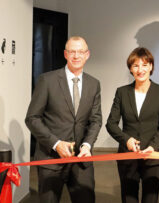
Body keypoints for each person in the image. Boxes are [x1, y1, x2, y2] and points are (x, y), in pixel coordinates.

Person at [25, 36, 102, 203]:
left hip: (81, 161)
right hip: (50, 159)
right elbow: (32, 118)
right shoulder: (47, 80)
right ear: (65, 54)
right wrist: (56, 143)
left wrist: (87, 145)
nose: (76, 56)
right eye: (72, 51)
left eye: (80, 51)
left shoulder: (94, 84)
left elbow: (95, 120)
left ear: (87, 54)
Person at [106, 47, 159, 203]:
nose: (140, 69)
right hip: (128, 157)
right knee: (129, 199)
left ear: (151, 67)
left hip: (154, 157)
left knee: (151, 199)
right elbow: (111, 124)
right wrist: (126, 140)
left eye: (144, 65)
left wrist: (153, 146)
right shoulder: (122, 92)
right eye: (135, 65)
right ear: (130, 69)